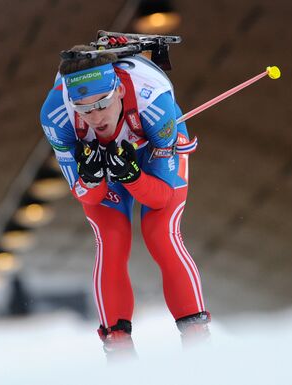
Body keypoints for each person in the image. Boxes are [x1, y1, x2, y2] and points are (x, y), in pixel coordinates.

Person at [40, 42, 210, 359]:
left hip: (151, 150)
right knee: (111, 239)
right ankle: (117, 345)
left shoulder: (156, 105)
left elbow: (162, 198)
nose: (95, 117)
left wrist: (133, 177)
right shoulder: (56, 116)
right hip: (103, 160)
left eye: (102, 103)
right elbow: (84, 196)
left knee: (161, 235)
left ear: (118, 90)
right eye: (83, 109)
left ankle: (197, 336)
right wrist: (90, 179)